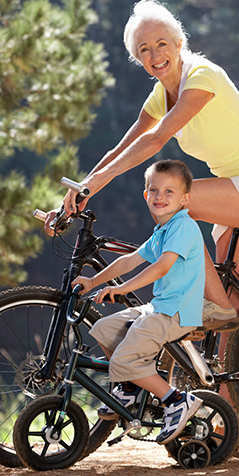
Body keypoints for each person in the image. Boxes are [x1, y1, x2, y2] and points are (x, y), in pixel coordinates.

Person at [47, 0, 239, 329]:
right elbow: (120, 149)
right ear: (137, 58)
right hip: (235, 195)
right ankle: (224, 378)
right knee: (231, 324)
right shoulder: (160, 96)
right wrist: (77, 192)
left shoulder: (202, 75)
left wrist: (96, 185)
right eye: (144, 50)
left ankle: (204, 305)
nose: (155, 55)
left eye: (162, 44)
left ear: (180, 43)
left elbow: (155, 140)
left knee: (176, 205)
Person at [71, 159, 204, 445]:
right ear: (145, 195)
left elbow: (162, 267)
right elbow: (130, 260)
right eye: (154, 190)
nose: (160, 197)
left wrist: (122, 290)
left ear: (185, 199)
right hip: (159, 308)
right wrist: (94, 282)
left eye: (169, 192)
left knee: (124, 357)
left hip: (177, 312)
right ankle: (130, 386)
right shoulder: (162, 230)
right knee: (105, 329)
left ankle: (176, 399)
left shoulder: (183, 226)